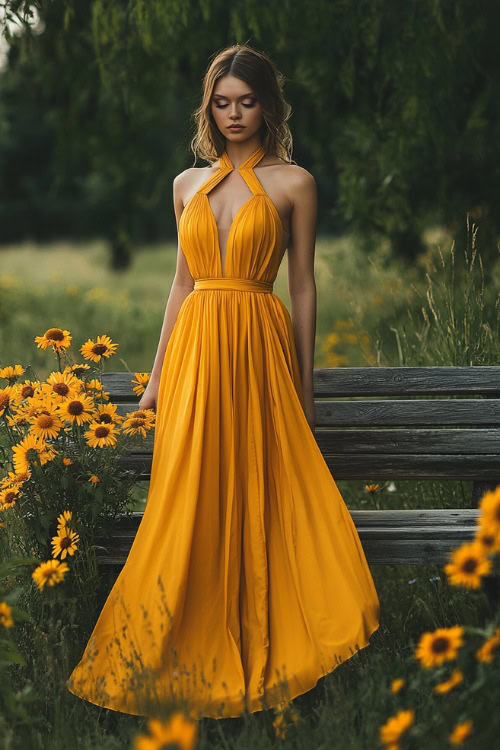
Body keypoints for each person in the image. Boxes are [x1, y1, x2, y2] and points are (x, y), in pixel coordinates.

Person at [66, 43, 380, 720]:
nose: (234, 114)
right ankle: (171, 654)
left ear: (269, 106)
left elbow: (302, 289)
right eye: (222, 102)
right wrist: (153, 382)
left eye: (247, 101)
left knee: (267, 494)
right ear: (209, 106)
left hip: (260, 348)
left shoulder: (295, 182)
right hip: (198, 352)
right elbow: (181, 286)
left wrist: (305, 389)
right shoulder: (186, 184)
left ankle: (285, 647)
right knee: (189, 497)